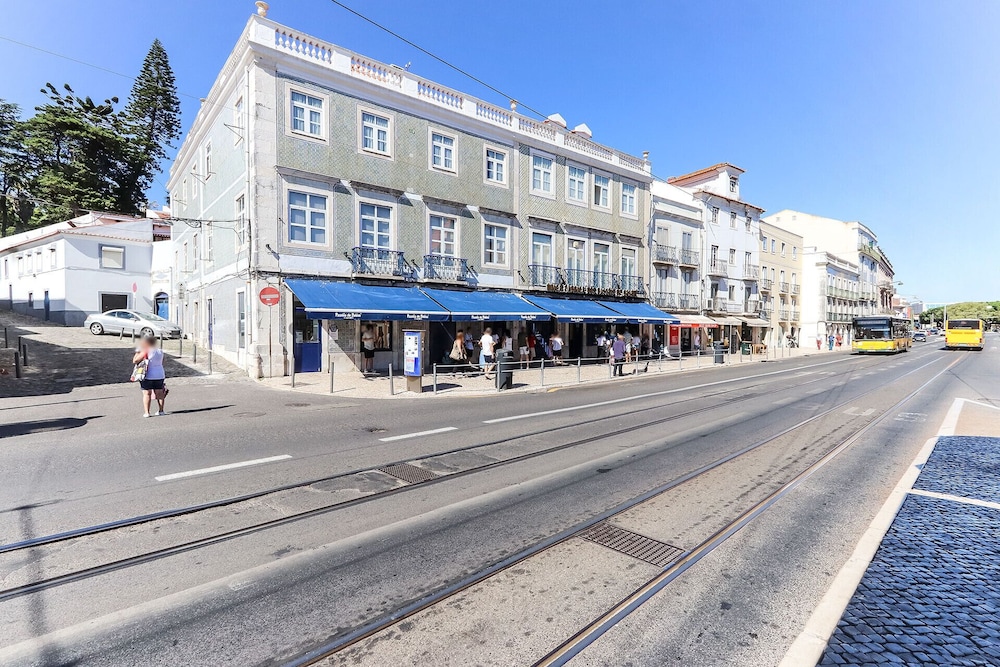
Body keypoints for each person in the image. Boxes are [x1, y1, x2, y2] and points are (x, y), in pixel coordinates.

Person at [133, 335, 167, 417]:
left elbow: (135, 360)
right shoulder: (160, 351)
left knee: (147, 393)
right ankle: (161, 410)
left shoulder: (146, 350)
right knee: (159, 392)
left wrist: (138, 352)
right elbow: (163, 361)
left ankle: (147, 412)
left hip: (148, 374)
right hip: (159, 374)